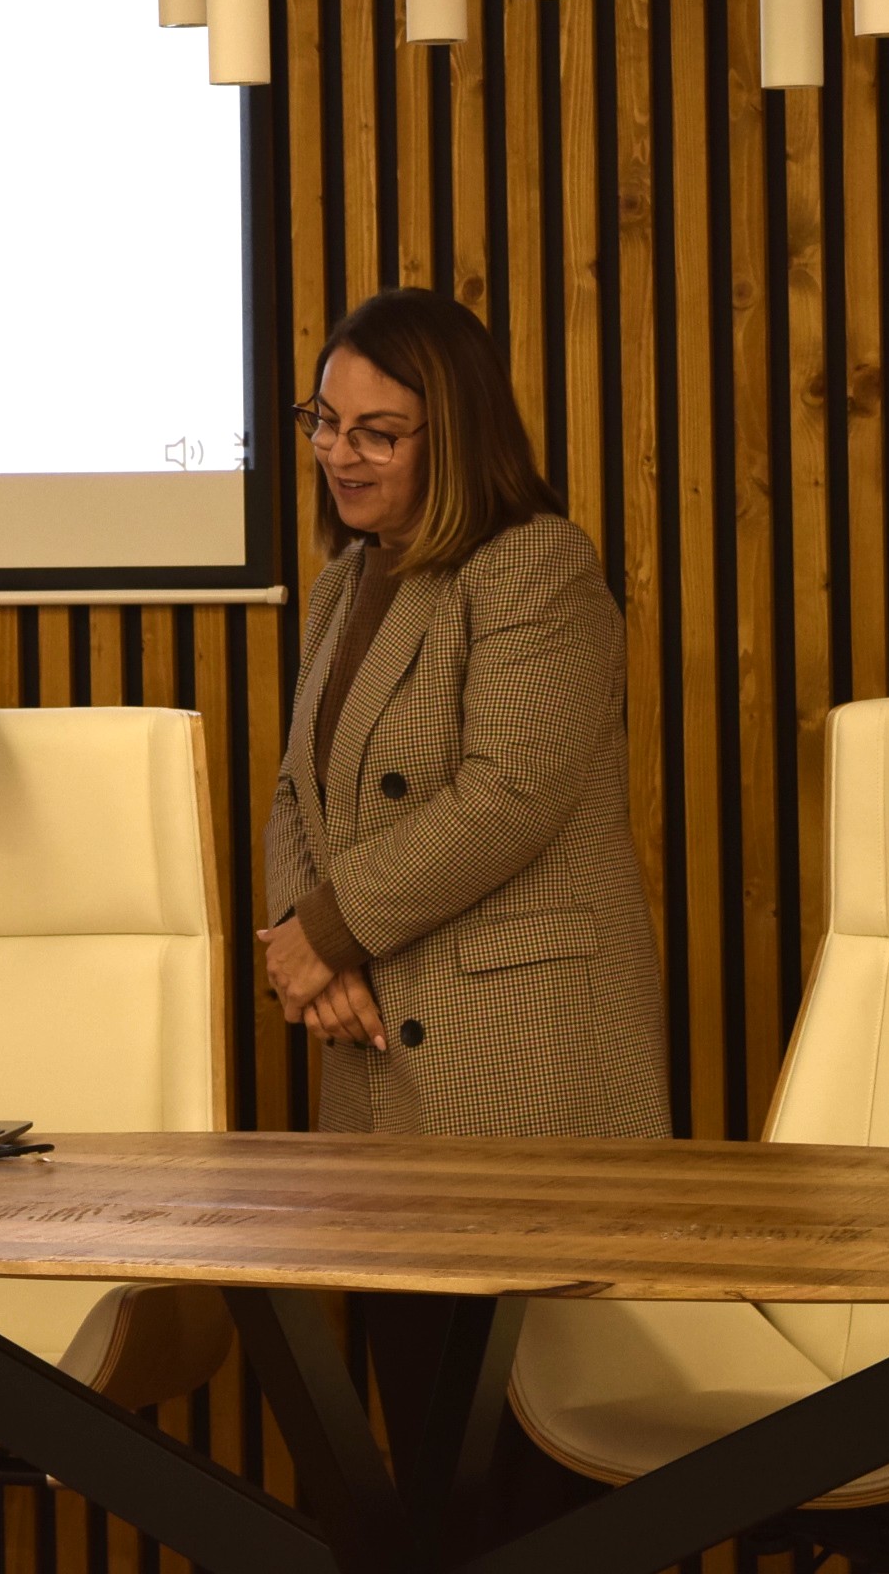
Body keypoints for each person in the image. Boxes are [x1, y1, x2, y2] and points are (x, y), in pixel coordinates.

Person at [256, 287, 670, 1139]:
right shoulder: (341, 585)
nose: (339, 453)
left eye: (378, 432)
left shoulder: (535, 563)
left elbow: (508, 794)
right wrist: (312, 951)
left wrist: (326, 932)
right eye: (325, 422)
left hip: (517, 1049)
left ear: (456, 437)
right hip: (371, 1042)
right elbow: (300, 791)